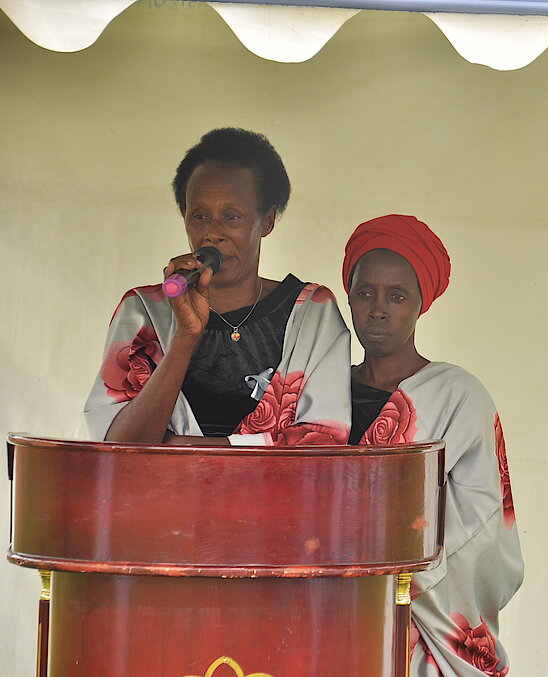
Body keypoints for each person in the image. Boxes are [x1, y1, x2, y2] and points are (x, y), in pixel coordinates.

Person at [85, 128, 351, 446]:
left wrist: (178, 447)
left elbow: (323, 443)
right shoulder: (143, 311)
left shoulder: (312, 313)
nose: (213, 233)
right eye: (199, 216)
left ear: (267, 221)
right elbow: (119, 447)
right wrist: (185, 337)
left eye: (231, 216)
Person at [343, 214, 524, 676]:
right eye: (365, 292)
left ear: (422, 303)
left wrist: (392, 565)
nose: (378, 309)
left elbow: (483, 526)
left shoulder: (457, 395)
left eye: (397, 296)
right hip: (324, 613)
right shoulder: (320, 393)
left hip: (420, 627)